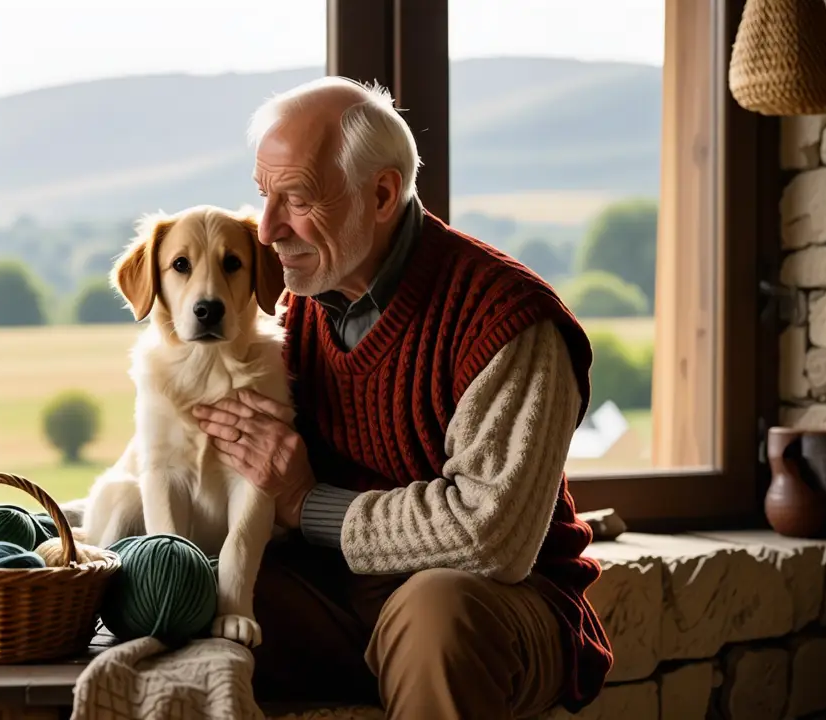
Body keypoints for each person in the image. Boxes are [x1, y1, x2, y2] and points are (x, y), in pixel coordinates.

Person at [191, 76, 612, 719]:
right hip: (341, 599)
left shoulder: (506, 321)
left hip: (496, 607)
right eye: (262, 195)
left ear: (382, 193)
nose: (268, 228)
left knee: (433, 607)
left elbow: (490, 538)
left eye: (296, 198)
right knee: (194, 588)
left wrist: (305, 503)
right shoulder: (290, 308)